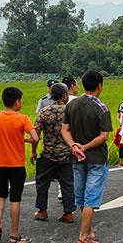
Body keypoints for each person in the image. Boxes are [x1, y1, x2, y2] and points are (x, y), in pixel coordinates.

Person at [62, 70, 113, 243]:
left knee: (81, 197)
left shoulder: (72, 105)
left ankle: (89, 231)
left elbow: (65, 130)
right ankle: (84, 237)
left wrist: (74, 146)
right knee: (91, 198)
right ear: (99, 86)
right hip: (96, 158)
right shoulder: (102, 108)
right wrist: (84, 147)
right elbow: (103, 136)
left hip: (76, 158)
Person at [0, 87, 38, 243]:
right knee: (15, 199)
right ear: (17, 102)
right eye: (21, 100)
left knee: (1, 195)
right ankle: (14, 235)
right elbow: (35, 137)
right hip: (16, 165)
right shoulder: (23, 118)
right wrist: (24, 140)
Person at [32, 83, 75, 224]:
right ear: (64, 95)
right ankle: (68, 213)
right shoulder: (70, 112)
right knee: (67, 183)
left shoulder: (44, 111)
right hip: (66, 154)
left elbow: (36, 135)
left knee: (42, 182)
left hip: (48, 153)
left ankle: (42, 211)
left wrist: (33, 152)